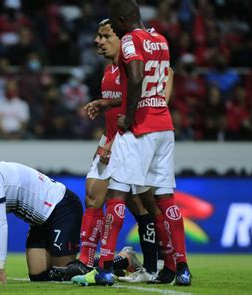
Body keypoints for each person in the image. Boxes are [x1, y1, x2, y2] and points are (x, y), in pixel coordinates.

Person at [73, 0, 190, 286]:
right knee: (165, 199)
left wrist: (128, 113)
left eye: (115, 22)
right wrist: (111, 103)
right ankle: (179, 267)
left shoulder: (129, 42)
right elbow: (157, 82)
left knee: (117, 196)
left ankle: (103, 266)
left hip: (140, 129)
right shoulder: (159, 40)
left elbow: (136, 76)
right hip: (164, 125)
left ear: (124, 19)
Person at [51, 19, 172, 283]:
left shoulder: (133, 67)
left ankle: (158, 263)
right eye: (98, 36)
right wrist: (105, 137)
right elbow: (119, 108)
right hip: (111, 138)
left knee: (143, 204)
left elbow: (152, 93)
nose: (98, 41)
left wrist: (113, 141)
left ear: (122, 39)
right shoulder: (109, 70)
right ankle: (86, 261)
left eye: (105, 36)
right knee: (93, 193)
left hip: (133, 140)